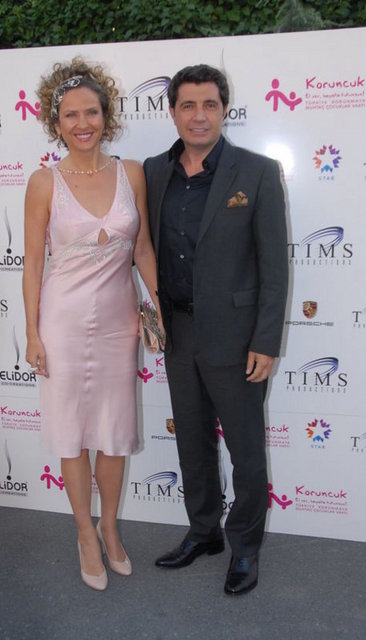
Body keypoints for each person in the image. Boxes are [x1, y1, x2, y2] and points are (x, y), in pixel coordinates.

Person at [144, 64, 288, 595]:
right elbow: (142, 249)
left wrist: (266, 341)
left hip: (237, 338)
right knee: (193, 444)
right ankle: (203, 531)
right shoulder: (153, 172)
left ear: (225, 109)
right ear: (173, 112)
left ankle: (244, 546)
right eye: (188, 105)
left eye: (209, 104)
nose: (199, 115)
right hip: (179, 334)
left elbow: (275, 266)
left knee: (246, 450)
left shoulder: (257, 171)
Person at [23, 57, 161, 591]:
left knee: (113, 435)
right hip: (62, 324)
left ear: (107, 115)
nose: (83, 123)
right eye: (71, 115)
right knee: (71, 436)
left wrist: (158, 308)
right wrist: (33, 333)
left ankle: (110, 526)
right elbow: (33, 265)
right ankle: (85, 532)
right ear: (55, 122)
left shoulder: (131, 174)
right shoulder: (43, 183)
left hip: (118, 324)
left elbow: (142, 248)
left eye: (92, 112)